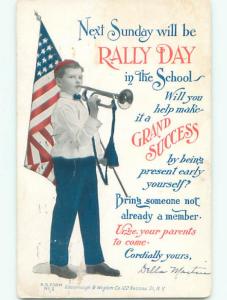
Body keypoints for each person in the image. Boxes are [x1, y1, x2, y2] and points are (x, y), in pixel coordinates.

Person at [49, 59, 120, 279]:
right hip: (69, 165)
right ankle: (58, 263)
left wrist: (100, 157)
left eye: (80, 76)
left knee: (91, 213)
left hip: (87, 163)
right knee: (66, 212)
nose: (78, 81)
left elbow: (91, 138)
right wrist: (94, 114)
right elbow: (79, 139)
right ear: (59, 81)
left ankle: (95, 261)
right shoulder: (63, 107)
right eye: (72, 77)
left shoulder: (80, 102)